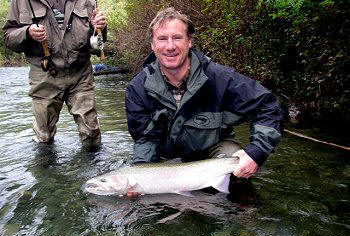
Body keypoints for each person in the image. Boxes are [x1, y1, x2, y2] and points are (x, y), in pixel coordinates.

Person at [125, 7, 283, 178]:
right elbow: (145, 139)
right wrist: (138, 175)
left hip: (213, 158)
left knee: (233, 156)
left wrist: (257, 152)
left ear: (189, 41)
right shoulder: (137, 88)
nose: (170, 46)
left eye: (177, 38)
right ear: (153, 45)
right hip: (165, 163)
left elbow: (268, 105)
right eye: (162, 39)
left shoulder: (220, 79)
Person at [3, 0, 107, 148]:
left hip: (80, 72)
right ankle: (46, 170)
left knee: (91, 132)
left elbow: (98, 42)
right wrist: (27, 32)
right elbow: (8, 37)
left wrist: (99, 27)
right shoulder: (21, 2)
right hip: (44, 74)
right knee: (44, 137)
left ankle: (98, 169)